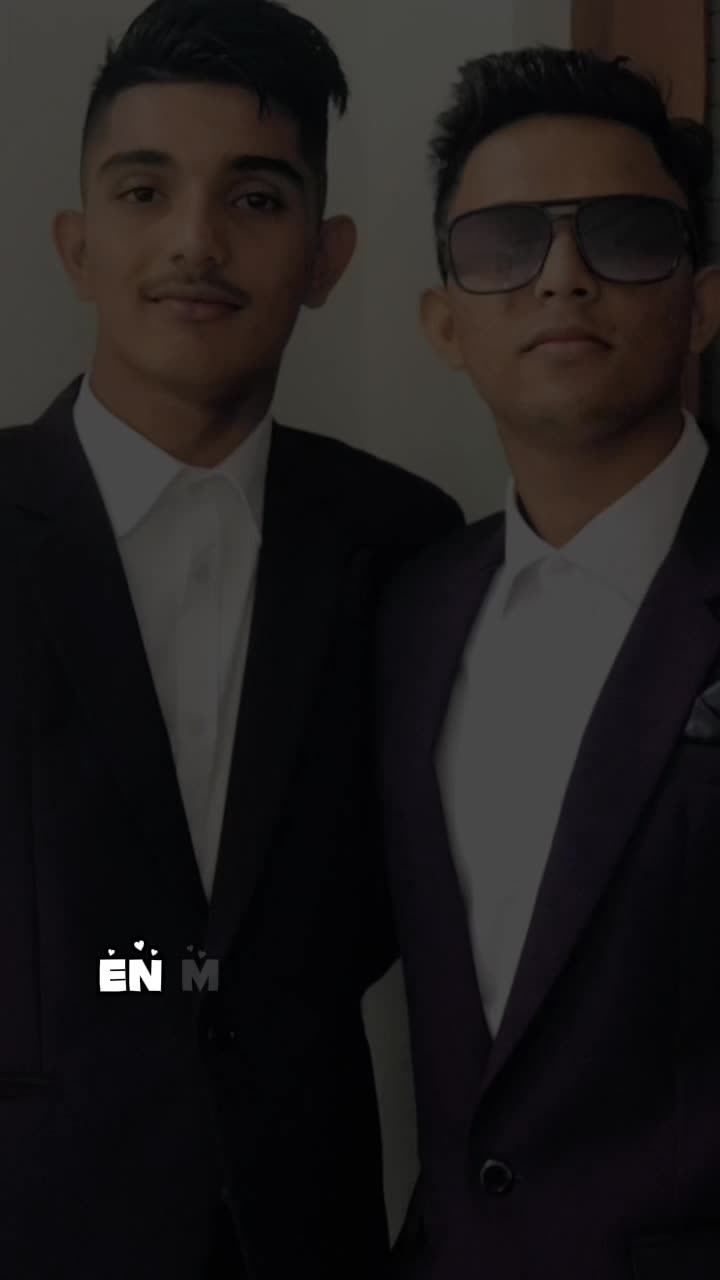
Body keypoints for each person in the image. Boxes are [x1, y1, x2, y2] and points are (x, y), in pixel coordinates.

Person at [0, 2, 462, 1278]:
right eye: (145, 191)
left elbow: (385, 909)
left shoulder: (404, 542)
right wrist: (159, 975)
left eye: (256, 199)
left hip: (312, 1227)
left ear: (327, 255)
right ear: (78, 244)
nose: (196, 241)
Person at [376, 46, 720, 1279]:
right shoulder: (409, 613)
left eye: (623, 235)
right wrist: (132, 978)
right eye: (504, 244)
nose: (563, 275)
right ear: (445, 323)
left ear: (703, 300)